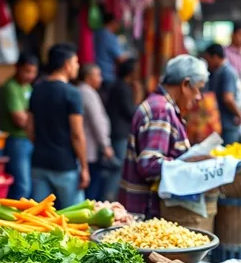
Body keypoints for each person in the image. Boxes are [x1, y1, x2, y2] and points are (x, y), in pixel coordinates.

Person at [119, 55, 209, 217]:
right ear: (185, 84)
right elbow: (149, 165)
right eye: (199, 89)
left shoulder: (161, 106)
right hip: (147, 210)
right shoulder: (161, 110)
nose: (199, 97)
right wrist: (188, 161)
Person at [28, 43, 89, 209]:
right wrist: (84, 167)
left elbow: (30, 130)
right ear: (67, 65)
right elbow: (77, 135)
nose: (77, 66)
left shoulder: (37, 90)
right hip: (65, 165)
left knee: (41, 219)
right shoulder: (72, 93)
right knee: (75, 219)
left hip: (39, 162)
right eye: (76, 62)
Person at [0, 53, 39, 199]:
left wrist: (29, 115)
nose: (31, 75)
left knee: (29, 186)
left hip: (27, 140)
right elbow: (20, 120)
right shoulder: (11, 87)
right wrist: (32, 116)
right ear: (17, 68)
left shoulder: (27, 87)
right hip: (16, 140)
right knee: (23, 187)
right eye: (27, 71)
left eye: (34, 72)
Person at [103, 58, 139, 200]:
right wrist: (137, 95)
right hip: (120, 133)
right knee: (117, 168)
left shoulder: (116, 86)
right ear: (130, 73)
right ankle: (108, 199)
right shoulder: (123, 88)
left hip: (116, 131)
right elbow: (131, 112)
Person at [77, 64, 113, 200]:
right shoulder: (87, 93)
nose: (101, 79)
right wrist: (105, 145)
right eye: (97, 75)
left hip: (87, 148)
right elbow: (96, 121)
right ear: (88, 77)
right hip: (90, 150)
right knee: (92, 191)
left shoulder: (81, 91)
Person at [204, 43, 241, 145]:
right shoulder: (216, 72)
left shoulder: (227, 72)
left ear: (215, 57)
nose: (207, 63)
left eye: (208, 60)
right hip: (220, 123)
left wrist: (239, 115)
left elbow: (228, 98)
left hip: (228, 124)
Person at [94, 11, 127, 103]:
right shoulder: (111, 37)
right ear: (112, 22)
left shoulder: (96, 34)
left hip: (94, 73)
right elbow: (120, 58)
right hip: (107, 75)